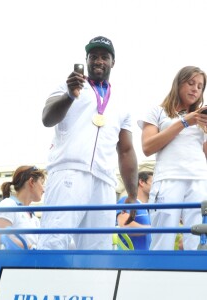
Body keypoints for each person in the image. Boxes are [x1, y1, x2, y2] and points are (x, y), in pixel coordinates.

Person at [37, 36, 138, 250]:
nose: (98, 61)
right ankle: (44, 282)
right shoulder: (67, 86)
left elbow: (126, 151)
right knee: (54, 241)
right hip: (69, 172)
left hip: (105, 180)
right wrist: (69, 96)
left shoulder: (122, 102)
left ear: (112, 62)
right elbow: (47, 118)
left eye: (104, 57)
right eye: (93, 57)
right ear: (86, 60)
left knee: (98, 250)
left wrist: (132, 194)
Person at [138, 66, 207, 250]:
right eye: (191, 83)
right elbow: (147, 147)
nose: (195, 89)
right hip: (168, 179)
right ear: (178, 83)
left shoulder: (202, 118)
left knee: (198, 242)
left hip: (199, 181)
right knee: (162, 240)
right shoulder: (158, 111)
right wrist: (184, 122)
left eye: (200, 86)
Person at [0, 166, 45, 250]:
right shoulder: (8, 204)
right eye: (42, 183)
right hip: (10, 262)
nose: (43, 189)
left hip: (30, 262)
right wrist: (31, 249)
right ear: (31, 182)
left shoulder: (34, 218)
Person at [116, 171, 153, 250]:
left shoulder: (151, 208)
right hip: (131, 259)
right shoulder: (126, 201)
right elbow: (124, 225)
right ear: (141, 182)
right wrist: (154, 229)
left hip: (149, 259)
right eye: (153, 182)